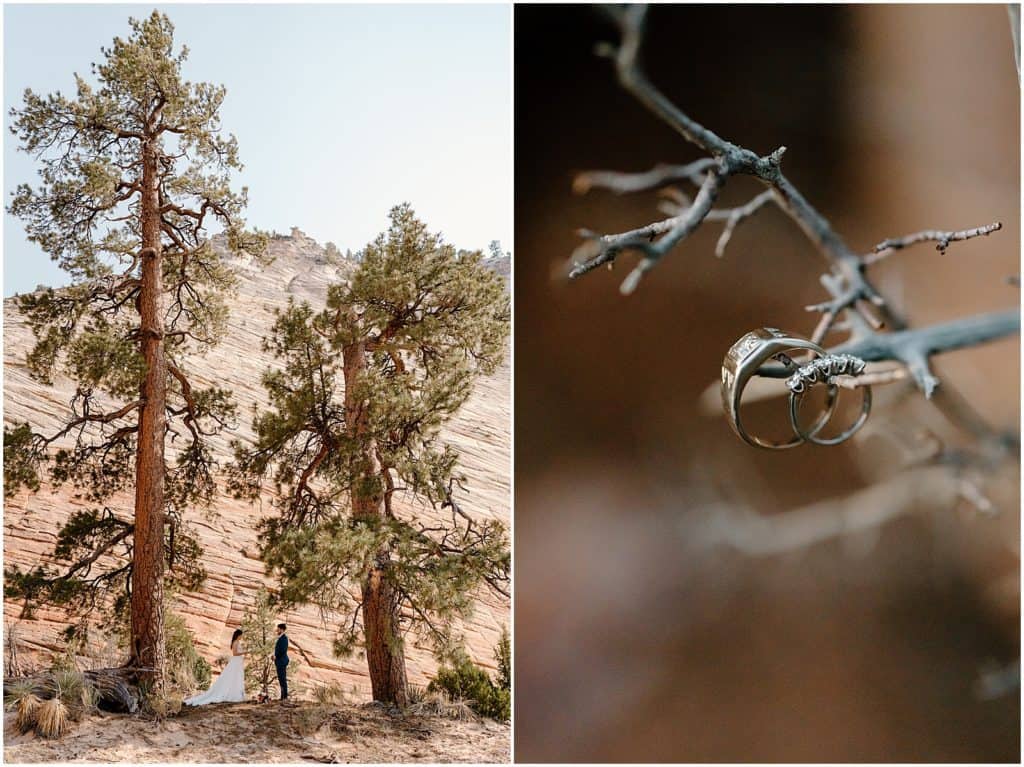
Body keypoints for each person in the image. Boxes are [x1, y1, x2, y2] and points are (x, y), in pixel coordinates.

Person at [185, 629, 246, 706]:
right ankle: (231, 694)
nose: (242, 636)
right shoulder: (235, 642)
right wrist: (245, 652)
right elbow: (235, 653)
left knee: (237, 677)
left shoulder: (238, 642)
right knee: (233, 677)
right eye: (241, 635)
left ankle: (237, 694)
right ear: (238, 635)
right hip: (235, 662)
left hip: (238, 662)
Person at [274, 623, 289, 700]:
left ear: (282, 629)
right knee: (281, 679)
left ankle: (285, 697)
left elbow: (283, 650)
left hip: (282, 661)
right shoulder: (280, 638)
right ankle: (283, 696)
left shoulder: (284, 638)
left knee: (283, 679)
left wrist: (275, 656)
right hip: (279, 661)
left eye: (278, 629)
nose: (277, 630)